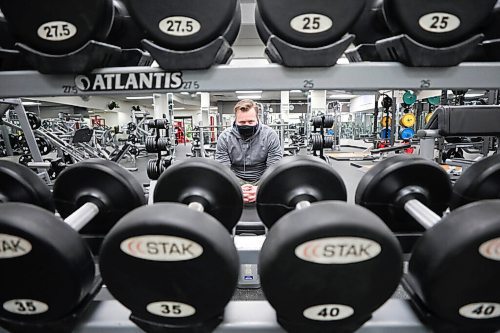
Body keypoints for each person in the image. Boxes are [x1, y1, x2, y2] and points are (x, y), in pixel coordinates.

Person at [216, 99, 282, 203]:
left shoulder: (270, 135)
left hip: (263, 178)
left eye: (251, 122)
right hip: (235, 179)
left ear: (257, 119)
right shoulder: (225, 137)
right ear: (235, 120)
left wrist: (261, 188)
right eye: (242, 122)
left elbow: (274, 168)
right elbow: (223, 170)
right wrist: (235, 188)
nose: (246, 125)